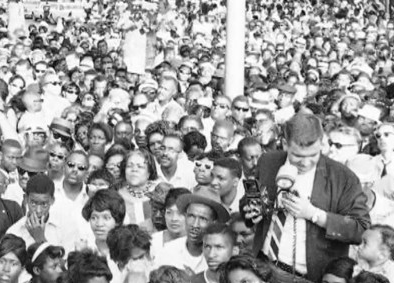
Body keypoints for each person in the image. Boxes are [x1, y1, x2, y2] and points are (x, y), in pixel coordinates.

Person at [244, 113, 370, 283]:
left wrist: (314, 214)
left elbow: (360, 229)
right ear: (285, 144)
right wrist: (251, 209)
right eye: (297, 156)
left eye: (313, 155)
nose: (305, 163)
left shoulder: (343, 177)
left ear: (321, 143)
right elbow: (250, 198)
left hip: (308, 277)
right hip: (263, 266)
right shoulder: (268, 161)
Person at [154, 187, 229, 275]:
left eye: (203, 219)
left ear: (214, 223)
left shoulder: (223, 259)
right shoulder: (168, 252)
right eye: (191, 216)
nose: (195, 225)